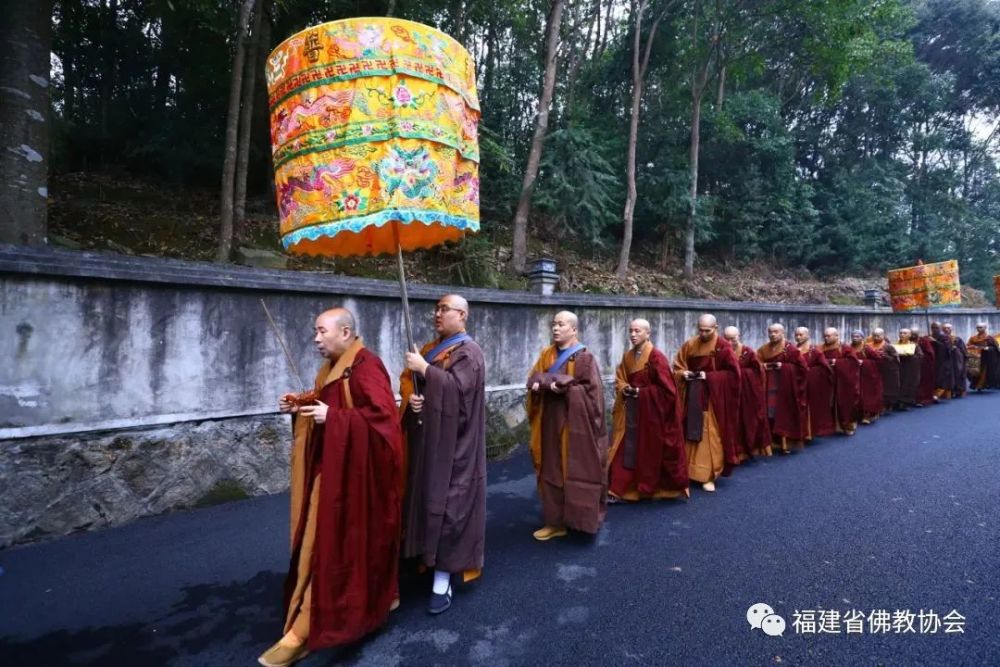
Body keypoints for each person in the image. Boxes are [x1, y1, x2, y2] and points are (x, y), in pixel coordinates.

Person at [260, 308, 403, 667]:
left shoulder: (367, 365)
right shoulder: (331, 369)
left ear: (346, 332)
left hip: (357, 480)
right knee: (325, 546)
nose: (316, 339)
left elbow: (384, 422)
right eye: (315, 332)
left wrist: (335, 419)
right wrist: (301, 404)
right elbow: (331, 401)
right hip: (331, 473)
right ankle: (380, 597)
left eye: (322, 332)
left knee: (331, 548)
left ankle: (303, 633)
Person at [400, 294, 487, 615]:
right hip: (428, 441)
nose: (437, 314)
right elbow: (409, 384)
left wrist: (426, 370)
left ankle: (443, 577)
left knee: (451, 507)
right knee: (424, 499)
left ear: (462, 314)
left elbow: (460, 396)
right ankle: (423, 557)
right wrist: (413, 399)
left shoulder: (469, 353)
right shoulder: (429, 348)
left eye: (444, 309)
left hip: (457, 445)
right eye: (435, 309)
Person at [527, 311, 609, 539]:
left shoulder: (584, 358)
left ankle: (579, 519)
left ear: (574, 330)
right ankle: (555, 522)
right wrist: (545, 385)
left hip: (575, 427)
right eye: (553, 324)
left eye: (561, 324)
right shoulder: (547, 354)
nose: (555, 328)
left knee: (576, 471)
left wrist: (564, 387)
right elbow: (533, 378)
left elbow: (593, 396)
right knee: (551, 471)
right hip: (549, 422)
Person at [608, 319, 688, 502]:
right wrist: (624, 388)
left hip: (651, 415)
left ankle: (652, 487)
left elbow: (667, 391)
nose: (633, 335)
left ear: (647, 333)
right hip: (632, 412)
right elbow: (620, 377)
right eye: (630, 331)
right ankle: (619, 488)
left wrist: (640, 392)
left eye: (637, 331)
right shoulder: (628, 356)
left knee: (649, 451)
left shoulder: (656, 357)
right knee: (624, 449)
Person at [673, 314, 741, 492]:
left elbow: (734, 375)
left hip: (712, 399)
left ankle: (709, 475)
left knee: (709, 435)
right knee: (689, 431)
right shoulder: (690, 344)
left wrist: (709, 376)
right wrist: (684, 374)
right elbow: (677, 366)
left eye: (707, 331)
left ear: (716, 328)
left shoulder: (723, 347)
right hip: (692, 395)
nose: (703, 334)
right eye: (700, 330)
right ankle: (689, 471)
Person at [756, 323, 808, 452]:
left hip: (785, 388)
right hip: (768, 386)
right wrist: (764, 367)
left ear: (783, 333)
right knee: (769, 413)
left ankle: (786, 443)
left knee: (784, 414)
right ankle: (772, 441)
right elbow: (756, 364)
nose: (772, 334)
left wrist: (784, 367)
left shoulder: (791, 349)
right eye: (770, 332)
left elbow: (803, 368)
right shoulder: (763, 349)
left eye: (776, 332)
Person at [723, 325, 771, 459]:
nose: (730, 342)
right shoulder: (722, 351)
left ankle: (747, 450)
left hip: (747, 394)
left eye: (732, 339)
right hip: (729, 393)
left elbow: (758, 372)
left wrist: (740, 373)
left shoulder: (748, 352)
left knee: (747, 420)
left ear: (739, 336)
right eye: (726, 339)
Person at [795, 326, 836, 438]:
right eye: (796, 335)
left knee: (810, 408)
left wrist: (810, 372)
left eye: (801, 335)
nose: (798, 337)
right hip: (796, 383)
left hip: (812, 385)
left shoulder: (815, 351)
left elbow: (825, 368)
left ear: (807, 336)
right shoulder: (792, 350)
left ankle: (809, 432)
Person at [821, 327, 861, 436]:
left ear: (836, 336)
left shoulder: (845, 348)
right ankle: (830, 426)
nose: (826, 338)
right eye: (825, 336)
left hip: (843, 381)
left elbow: (854, 363)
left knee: (844, 402)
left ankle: (848, 425)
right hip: (827, 380)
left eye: (829, 336)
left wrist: (837, 362)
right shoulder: (821, 348)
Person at [850, 330, 884, 424]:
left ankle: (867, 416)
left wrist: (864, 363)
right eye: (853, 336)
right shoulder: (849, 348)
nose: (855, 338)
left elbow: (878, 360)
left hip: (867, 376)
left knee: (866, 396)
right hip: (853, 375)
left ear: (862, 338)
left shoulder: (866, 348)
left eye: (857, 336)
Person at [868, 328, 900, 413]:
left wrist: (885, 356)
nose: (876, 337)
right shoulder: (869, 345)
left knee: (886, 389)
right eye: (874, 336)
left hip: (887, 371)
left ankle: (886, 405)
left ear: (883, 336)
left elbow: (896, 359)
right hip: (873, 370)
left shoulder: (888, 346)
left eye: (878, 336)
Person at [967, 323, 1000, 391]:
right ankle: (977, 385)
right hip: (976, 358)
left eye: (981, 327)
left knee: (984, 372)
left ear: (985, 328)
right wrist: (972, 347)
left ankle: (981, 385)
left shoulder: (989, 338)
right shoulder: (973, 338)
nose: (979, 329)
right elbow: (968, 345)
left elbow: (994, 348)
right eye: (978, 327)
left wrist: (987, 348)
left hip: (986, 358)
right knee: (975, 372)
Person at [895, 328, 921, 409]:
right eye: (901, 333)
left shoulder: (914, 345)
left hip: (909, 369)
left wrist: (910, 356)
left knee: (908, 384)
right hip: (898, 368)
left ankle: (906, 402)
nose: (902, 335)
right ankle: (896, 401)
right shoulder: (895, 345)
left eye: (905, 333)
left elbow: (920, 356)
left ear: (909, 335)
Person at [913, 326, 938, 406]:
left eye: (914, 334)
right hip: (912, 365)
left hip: (924, 364)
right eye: (912, 334)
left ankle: (923, 399)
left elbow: (930, 353)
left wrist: (921, 357)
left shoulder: (923, 341)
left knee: (923, 381)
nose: (913, 336)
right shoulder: (908, 340)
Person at [942, 323, 968, 398]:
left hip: (956, 360)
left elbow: (963, 350)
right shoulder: (941, 339)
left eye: (948, 328)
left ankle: (959, 390)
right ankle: (948, 392)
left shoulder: (957, 339)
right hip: (946, 360)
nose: (946, 329)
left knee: (958, 374)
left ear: (952, 329)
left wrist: (956, 349)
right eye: (945, 328)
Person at [929, 321, 954, 399]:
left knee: (942, 377)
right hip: (933, 359)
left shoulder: (944, 337)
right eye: (933, 328)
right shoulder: (930, 336)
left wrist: (935, 342)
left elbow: (947, 348)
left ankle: (938, 394)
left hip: (943, 360)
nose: (934, 329)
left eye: (936, 327)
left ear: (940, 328)